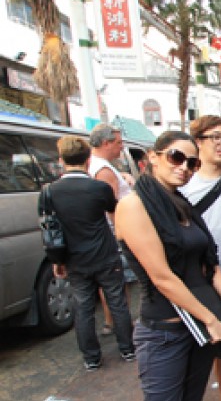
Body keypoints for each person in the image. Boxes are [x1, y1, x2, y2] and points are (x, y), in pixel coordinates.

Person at [115, 131, 221, 401]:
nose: (184, 167)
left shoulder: (183, 205)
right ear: (153, 157)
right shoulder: (134, 205)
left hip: (201, 324)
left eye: (192, 163)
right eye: (176, 157)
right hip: (165, 332)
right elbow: (162, 277)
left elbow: (209, 264)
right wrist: (211, 320)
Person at [47, 135, 135, 371]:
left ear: (61, 160)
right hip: (105, 252)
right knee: (117, 301)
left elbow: (49, 230)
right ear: (87, 159)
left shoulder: (50, 192)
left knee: (83, 307)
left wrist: (57, 260)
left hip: (74, 257)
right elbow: (114, 211)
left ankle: (91, 358)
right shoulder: (99, 188)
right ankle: (127, 349)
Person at [179, 116, 221, 401]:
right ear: (198, 142)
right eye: (214, 138)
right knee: (188, 346)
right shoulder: (183, 183)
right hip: (190, 278)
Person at [89, 123, 135, 336]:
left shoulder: (99, 165)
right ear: (106, 143)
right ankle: (120, 323)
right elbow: (112, 207)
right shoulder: (104, 170)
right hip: (116, 233)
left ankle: (113, 321)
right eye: (118, 143)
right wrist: (122, 234)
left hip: (107, 233)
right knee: (117, 282)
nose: (121, 147)